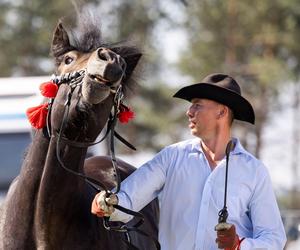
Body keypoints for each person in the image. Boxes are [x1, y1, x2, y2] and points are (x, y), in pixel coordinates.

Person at [91, 73, 287, 250]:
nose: (189, 112)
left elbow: (273, 238)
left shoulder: (254, 171)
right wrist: (109, 202)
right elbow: (129, 198)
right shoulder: (171, 157)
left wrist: (239, 245)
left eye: (197, 105)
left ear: (222, 112)